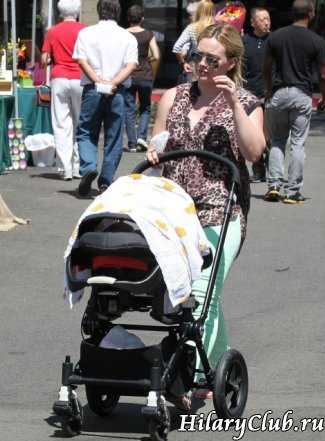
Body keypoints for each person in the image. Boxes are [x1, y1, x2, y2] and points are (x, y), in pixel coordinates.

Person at [147, 23, 265, 405]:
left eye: (212, 59)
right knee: (190, 296)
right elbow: (159, 138)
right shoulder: (174, 95)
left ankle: (189, 380)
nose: (202, 64)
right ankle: (218, 366)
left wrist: (233, 105)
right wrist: (153, 149)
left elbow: (253, 152)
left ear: (231, 62)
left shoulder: (247, 102)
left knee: (202, 292)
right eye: (198, 56)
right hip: (175, 210)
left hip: (222, 208)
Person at [263, 0, 325, 204]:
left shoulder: (276, 36)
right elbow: (324, 75)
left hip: (279, 93)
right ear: (311, 13)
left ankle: (274, 185)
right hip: (301, 94)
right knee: (298, 143)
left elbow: (266, 66)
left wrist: (268, 90)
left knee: (277, 140)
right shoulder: (317, 40)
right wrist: (324, 97)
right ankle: (293, 192)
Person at [73, 0, 138, 197]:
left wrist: (97, 80)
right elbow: (131, 64)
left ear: (99, 10)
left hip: (93, 88)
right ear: (118, 12)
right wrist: (114, 83)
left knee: (86, 131)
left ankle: (89, 167)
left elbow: (81, 59)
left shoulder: (86, 33)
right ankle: (106, 181)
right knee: (114, 136)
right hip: (117, 91)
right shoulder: (127, 36)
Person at [41, 0, 86, 180]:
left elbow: (44, 59)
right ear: (77, 11)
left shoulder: (52, 31)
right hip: (80, 78)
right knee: (80, 122)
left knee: (61, 123)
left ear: (60, 12)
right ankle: (77, 166)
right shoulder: (85, 30)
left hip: (59, 77)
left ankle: (64, 167)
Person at [124, 5, 160, 153]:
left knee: (129, 109)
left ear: (128, 18)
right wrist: (146, 59)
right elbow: (156, 55)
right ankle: (142, 138)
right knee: (145, 107)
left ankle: (131, 143)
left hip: (129, 74)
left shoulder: (124, 34)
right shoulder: (148, 34)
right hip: (145, 74)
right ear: (142, 19)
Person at [243, 7, 271, 183]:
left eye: (268, 18)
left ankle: (273, 169)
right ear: (253, 22)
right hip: (250, 93)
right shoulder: (244, 41)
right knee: (255, 133)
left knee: (269, 135)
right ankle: (258, 169)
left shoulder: (275, 41)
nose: (266, 22)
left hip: (270, 93)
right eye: (262, 19)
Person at [172, 0, 215, 83]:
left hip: (196, 66)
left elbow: (176, 48)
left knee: (193, 92)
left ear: (199, 11)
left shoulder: (192, 27)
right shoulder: (218, 27)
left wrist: (183, 63)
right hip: (214, 65)